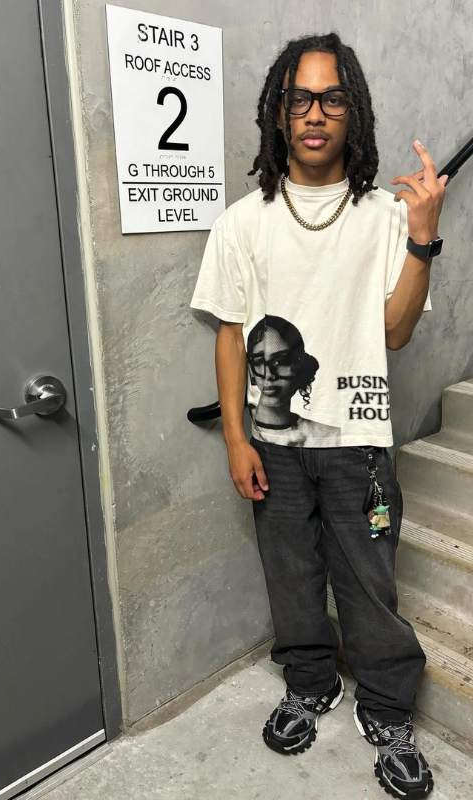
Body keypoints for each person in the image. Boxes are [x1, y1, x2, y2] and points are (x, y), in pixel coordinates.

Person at [190, 31, 447, 800]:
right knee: (292, 578)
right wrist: (236, 439)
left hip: (357, 443)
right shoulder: (243, 222)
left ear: (352, 112)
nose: (314, 112)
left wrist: (424, 238)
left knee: (368, 586)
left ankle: (388, 709)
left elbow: (396, 332)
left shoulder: (385, 216)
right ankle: (309, 684)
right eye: (299, 97)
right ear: (278, 112)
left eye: (331, 97)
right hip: (273, 443)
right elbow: (231, 334)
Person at [246, 314, 342, 445]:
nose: (269, 374)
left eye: (281, 361)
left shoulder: (329, 436)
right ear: (251, 369)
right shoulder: (241, 428)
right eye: (259, 362)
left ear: (298, 365)